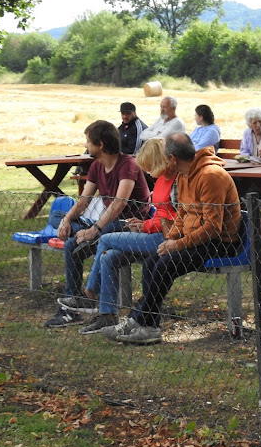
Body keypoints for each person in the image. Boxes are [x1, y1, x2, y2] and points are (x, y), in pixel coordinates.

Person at [101, 132, 244, 345]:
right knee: (152, 263)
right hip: (197, 239)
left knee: (164, 265)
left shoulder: (210, 175)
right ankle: (148, 326)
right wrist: (172, 239)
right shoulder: (185, 175)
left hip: (222, 243)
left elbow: (213, 228)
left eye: (165, 156)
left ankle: (138, 321)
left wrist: (177, 244)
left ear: (173, 159)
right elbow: (182, 215)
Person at [60, 138, 179, 334]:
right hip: (154, 233)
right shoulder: (160, 182)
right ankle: (108, 315)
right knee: (109, 256)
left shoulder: (173, 182)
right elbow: (161, 218)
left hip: (163, 240)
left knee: (106, 238)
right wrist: (144, 225)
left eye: (149, 167)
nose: (147, 172)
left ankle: (89, 295)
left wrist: (147, 225)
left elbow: (173, 221)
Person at [44, 120, 150, 328]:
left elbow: (120, 204)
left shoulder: (127, 164)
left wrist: (95, 229)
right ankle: (72, 309)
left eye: (88, 141)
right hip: (106, 225)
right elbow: (84, 200)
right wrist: (67, 220)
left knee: (102, 231)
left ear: (100, 144)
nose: (86, 145)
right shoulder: (96, 166)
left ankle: (88, 296)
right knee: (62, 225)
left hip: (131, 225)